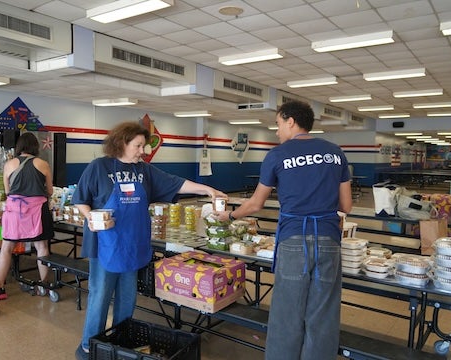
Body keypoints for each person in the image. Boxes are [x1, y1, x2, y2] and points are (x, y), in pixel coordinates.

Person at [73, 121, 227, 360]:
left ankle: (120, 341)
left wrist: (206, 190)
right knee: (100, 295)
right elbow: (80, 199)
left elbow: (176, 182)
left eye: (143, 146)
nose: (142, 151)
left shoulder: (144, 170)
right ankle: (89, 345)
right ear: (122, 143)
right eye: (139, 146)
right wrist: (89, 217)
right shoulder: (98, 167)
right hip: (107, 244)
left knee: (127, 297)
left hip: (133, 243)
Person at [214, 100, 353, 360]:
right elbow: (346, 205)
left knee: (287, 312)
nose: (277, 132)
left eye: (278, 124)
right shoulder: (336, 153)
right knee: (323, 313)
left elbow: (256, 204)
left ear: (291, 121)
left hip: (293, 241)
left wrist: (230, 214)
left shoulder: (278, 155)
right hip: (328, 240)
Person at [0, 132, 54, 300]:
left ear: (19, 146)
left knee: (6, 248)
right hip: (38, 211)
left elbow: (7, 192)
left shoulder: (9, 164)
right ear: (35, 146)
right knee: (42, 247)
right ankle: (43, 285)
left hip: (15, 211)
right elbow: (50, 190)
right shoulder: (43, 164)